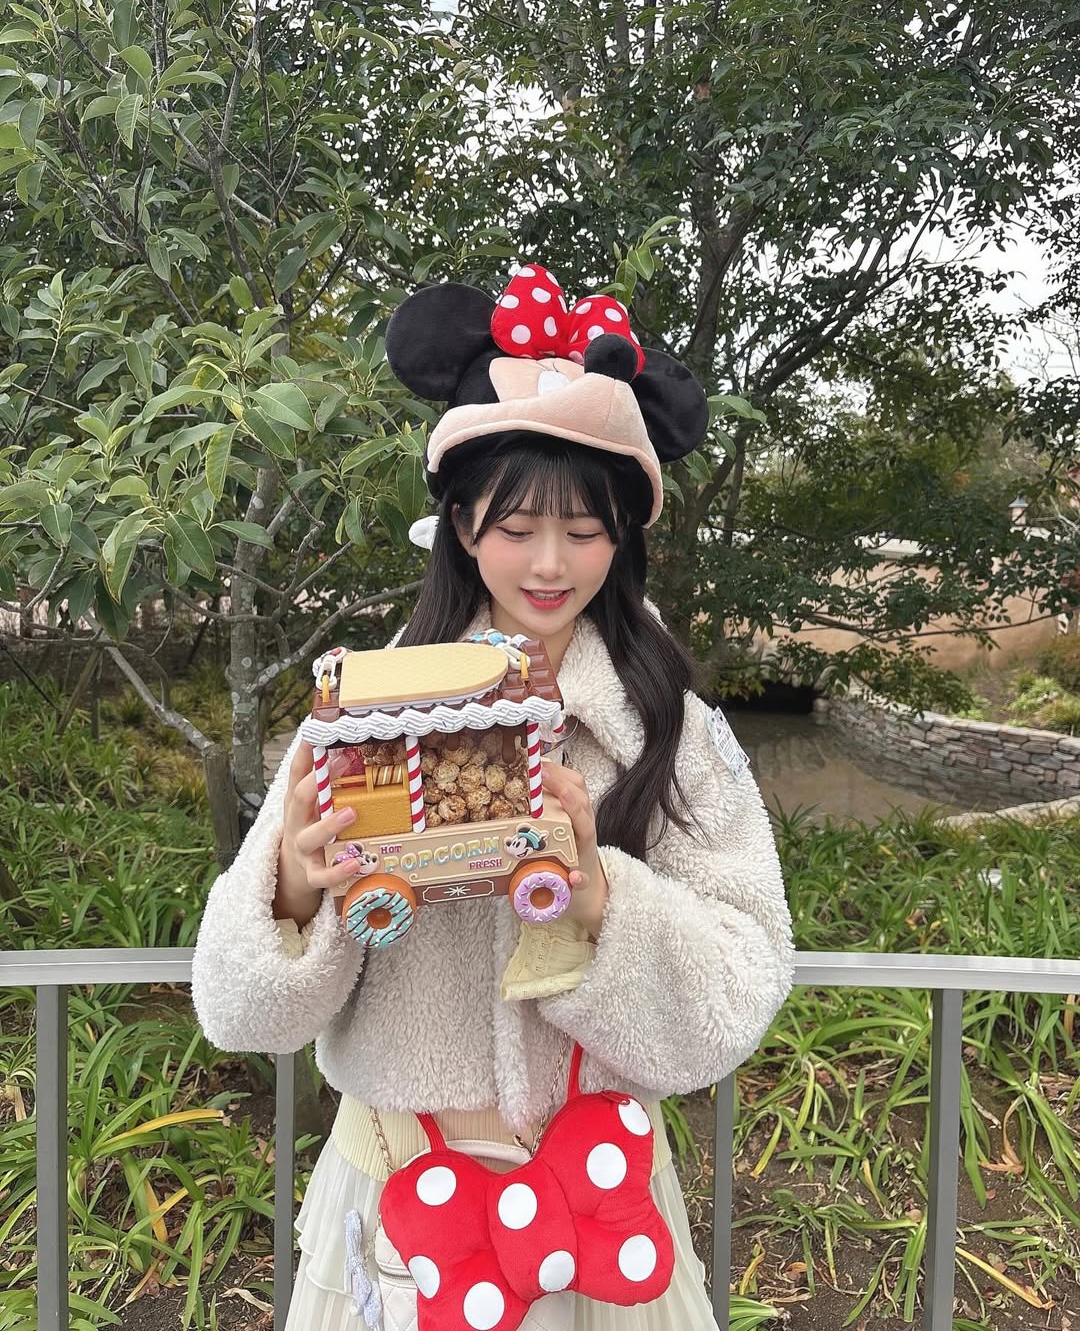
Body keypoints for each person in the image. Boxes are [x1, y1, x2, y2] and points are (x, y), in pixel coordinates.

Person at [191, 263, 795, 1330]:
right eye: (516, 527)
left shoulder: (673, 729)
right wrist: (289, 889)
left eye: (585, 530)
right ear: (462, 527)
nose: (550, 564)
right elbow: (240, 1013)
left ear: (625, 535)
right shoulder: (364, 716)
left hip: (604, 1206)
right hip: (398, 1201)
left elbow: (744, 984)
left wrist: (601, 898)